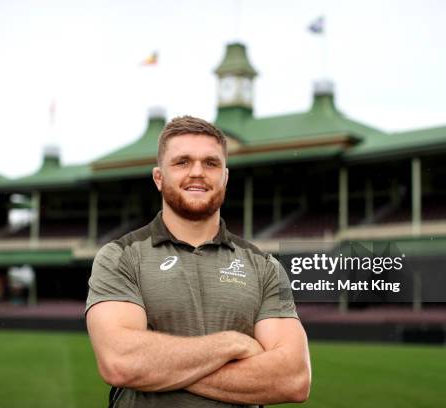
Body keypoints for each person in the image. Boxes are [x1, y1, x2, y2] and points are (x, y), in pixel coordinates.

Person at [86, 116, 311, 407]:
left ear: (225, 177)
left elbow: (293, 379)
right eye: (181, 162)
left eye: (211, 163)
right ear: (158, 177)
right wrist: (232, 344)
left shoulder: (265, 267)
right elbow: (120, 362)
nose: (197, 172)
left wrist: (157, 369)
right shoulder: (120, 257)